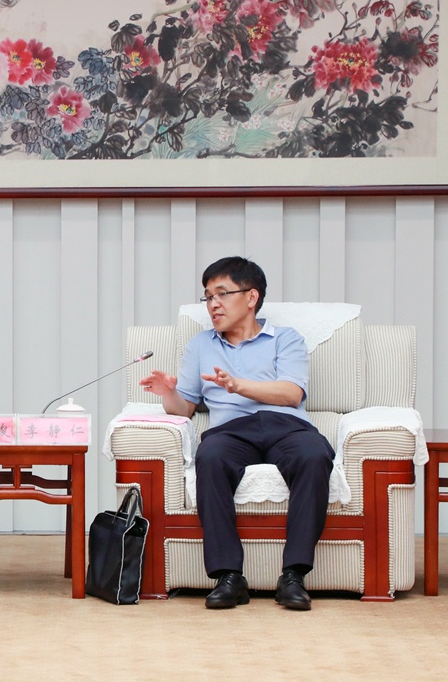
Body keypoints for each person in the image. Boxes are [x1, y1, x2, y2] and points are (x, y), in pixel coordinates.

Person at [139, 256, 333, 611]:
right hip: (230, 431)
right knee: (210, 457)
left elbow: (291, 393)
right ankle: (229, 577)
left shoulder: (285, 339)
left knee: (314, 455)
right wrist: (169, 392)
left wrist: (238, 385)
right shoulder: (201, 345)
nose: (213, 304)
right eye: (208, 296)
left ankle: (293, 575)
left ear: (251, 297)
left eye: (222, 294)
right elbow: (185, 408)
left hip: (286, 426)